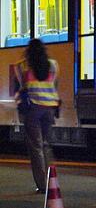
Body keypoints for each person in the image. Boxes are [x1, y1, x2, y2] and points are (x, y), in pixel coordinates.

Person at [12, 39, 61, 193]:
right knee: (46, 144)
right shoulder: (53, 65)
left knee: (36, 147)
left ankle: (42, 185)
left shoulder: (23, 65)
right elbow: (55, 85)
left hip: (33, 107)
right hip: (50, 108)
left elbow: (22, 86)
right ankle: (52, 180)